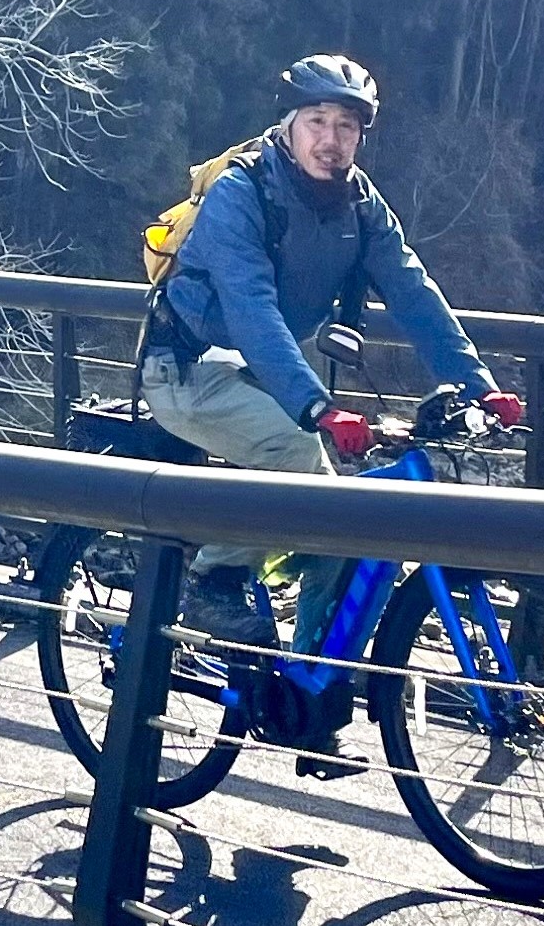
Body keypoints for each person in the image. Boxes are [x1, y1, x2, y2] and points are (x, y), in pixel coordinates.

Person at [143, 53, 523, 670]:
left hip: (265, 376)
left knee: (341, 528)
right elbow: (253, 313)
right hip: (188, 369)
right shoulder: (241, 194)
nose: (331, 139)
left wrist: (476, 383)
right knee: (299, 463)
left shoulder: (359, 204)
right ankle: (209, 581)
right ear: (289, 124)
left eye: (346, 126)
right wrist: (316, 405)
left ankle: (309, 680)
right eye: (317, 120)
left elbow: (411, 291)